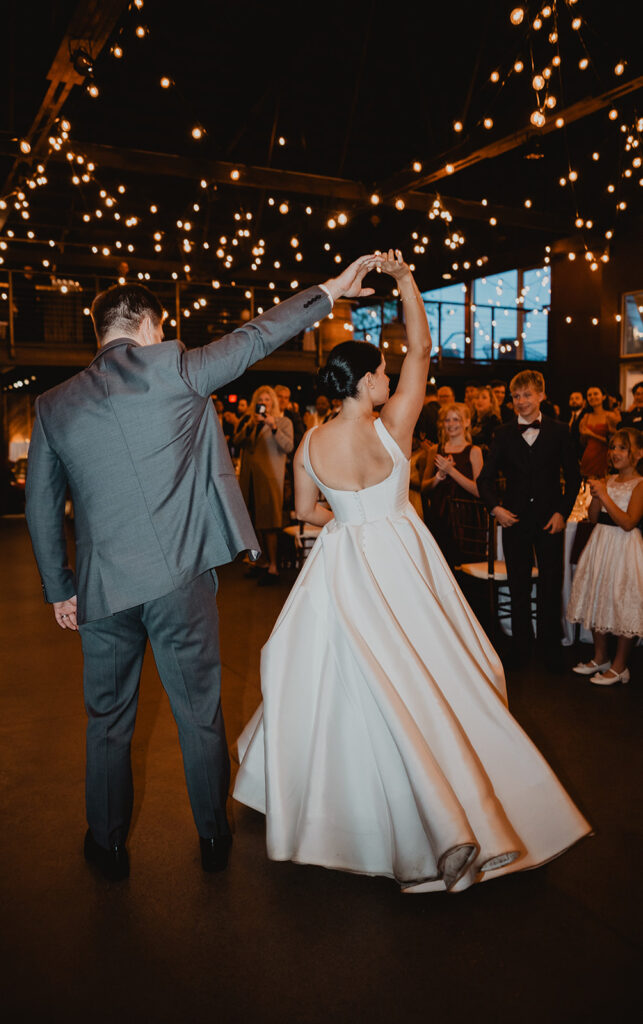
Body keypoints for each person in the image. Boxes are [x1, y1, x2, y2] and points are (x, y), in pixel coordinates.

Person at [233, 250, 590, 895]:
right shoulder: (394, 429)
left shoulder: (310, 443)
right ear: (366, 380)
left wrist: (347, 525)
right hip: (404, 557)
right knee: (437, 671)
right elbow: (422, 351)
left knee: (355, 681)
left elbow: (305, 513)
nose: (387, 380)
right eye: (379, 373)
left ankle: (366, 809)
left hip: (345, 565)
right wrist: (404, 281)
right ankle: (460, 800)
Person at [24, 255, 379, 881]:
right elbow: (260, 333)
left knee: (107, 721)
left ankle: (107, 848)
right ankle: (213, 837)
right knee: (199, 715)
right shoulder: (180, 370)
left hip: (102, 590)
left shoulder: (55, 406)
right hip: (180, 581)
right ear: (150, 325)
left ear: (102, 332)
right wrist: (330, 291)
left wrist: (60, 588)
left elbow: (41, 507)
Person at [477, 370, 581, 671]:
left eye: (527, 395)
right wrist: (495, 508)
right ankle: (520, 647)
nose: (521, 402)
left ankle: (550, 646)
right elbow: (485, 480)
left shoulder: (561, 430)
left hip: (551, 520)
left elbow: (573, 479)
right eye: (516, 397)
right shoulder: (502, 433)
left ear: (541, 396)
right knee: (519, 584)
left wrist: (563, 511)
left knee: (551, 582)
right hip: (514, 520)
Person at [568, 428, 643, 685]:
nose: (615, 453)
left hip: (624, 546)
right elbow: (592, 517)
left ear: (639, 453)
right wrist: (597, 495)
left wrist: (606, 495)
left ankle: (621, 666)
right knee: (597, 593)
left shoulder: (640, 484)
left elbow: (629, 522)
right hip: (600, 542)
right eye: (613, 447)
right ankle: (601, 657)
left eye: (623, 447)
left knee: (622, 600)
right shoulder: (608, 479)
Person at [232, 385, 294, 583]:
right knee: (253, 524)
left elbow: (289, 446)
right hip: (250, 479)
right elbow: (237, 441)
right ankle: (260, 562)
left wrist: (273, 426)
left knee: (269, 524)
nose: (263, 403)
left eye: (267, 400)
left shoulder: (283, 422)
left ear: (273, 402)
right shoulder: (249, 421)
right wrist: (251, 425)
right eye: (260, 400)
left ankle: (274, 566)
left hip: (269, 480)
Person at [422, 402, 483, 568]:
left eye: (456, 419)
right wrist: (438, 477)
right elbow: (423, 488)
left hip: (466, 517)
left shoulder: (474, 451)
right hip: (439, 516)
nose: (451, 424)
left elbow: (480, 491)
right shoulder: (435, 450)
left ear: (467, 422)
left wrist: (451, 471)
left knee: (465, 567)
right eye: (447, 420)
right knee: (439, 566)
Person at [579, 385, 620, 478]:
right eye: (589, 395)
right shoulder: (586, 417)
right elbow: (583, 442)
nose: (592, 397)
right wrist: (584, 435)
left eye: (595, 394)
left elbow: (614, 442)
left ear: (603, 397)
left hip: (604, 458)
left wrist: (592, 434)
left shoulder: (610, 416)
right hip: (588, 457)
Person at [471, 385, 501, 451]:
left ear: (491, 402)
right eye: (477, 397)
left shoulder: (494, 421)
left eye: (484, 398)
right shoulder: (471, 420)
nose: (479, 400)